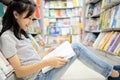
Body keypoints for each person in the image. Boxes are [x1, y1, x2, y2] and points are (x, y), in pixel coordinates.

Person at [0, 0, 119, 80]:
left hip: (42, 69)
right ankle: (112, 73)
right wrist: (47, 62)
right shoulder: (7, 37)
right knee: (76, 48)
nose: (31, 22)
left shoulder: (20, 33)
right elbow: (19, 72)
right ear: (16, 14)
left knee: (74, 47)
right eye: (28, 18)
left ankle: (110, 69)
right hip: (39, 77)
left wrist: (46, 53)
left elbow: (29, 59)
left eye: (32, 18)